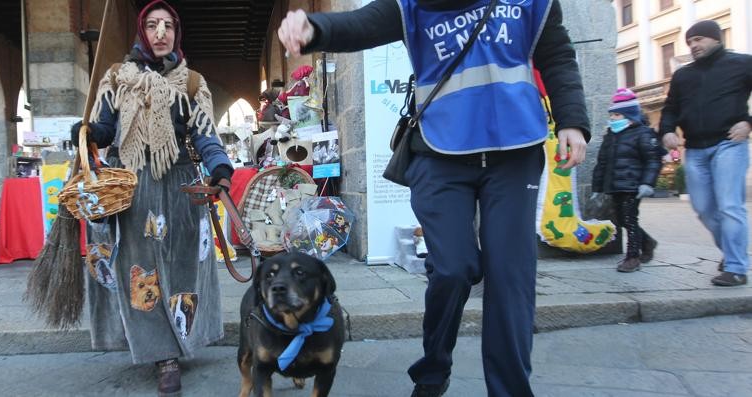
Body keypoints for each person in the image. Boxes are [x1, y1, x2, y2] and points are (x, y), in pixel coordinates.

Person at [278, 1, 590, 395]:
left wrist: (573, 120)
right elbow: (363, 23)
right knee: (453, 268)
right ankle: (433, 369)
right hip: (441, 153)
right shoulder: (412, 6)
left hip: (514, 150)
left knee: (511, 278)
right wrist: (314, 28)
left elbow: (558, 55)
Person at [71, 1, 233, 395]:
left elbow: (205, 136)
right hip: (131, 186)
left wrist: (221, 169)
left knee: (180, 269)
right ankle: (163, 356)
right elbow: (106, 132)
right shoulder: (117, 78)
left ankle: (178, 344)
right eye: (152, 25)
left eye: (168, 27)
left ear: (177, 33)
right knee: (137, 270)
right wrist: (90, 131)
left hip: (179, 185)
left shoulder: (192, 84)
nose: (161, 33)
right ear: (142, 33)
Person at [659, 20, 751, 287]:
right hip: (695, 149)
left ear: (717, 38)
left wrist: (749, 123)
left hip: (729, 145)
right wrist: (666, 130)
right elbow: (670, 107)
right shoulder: (682, 75)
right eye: (689, 41)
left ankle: (735, 268)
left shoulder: (743, 64)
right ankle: (734, 254)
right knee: (704, 210)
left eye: (699, 39)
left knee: (729, 206)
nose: (694, 45)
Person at [591, 88, 661, 272]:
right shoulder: (611, 136)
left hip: (632, 185)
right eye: (612, 114)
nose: (613, 118)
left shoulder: (643, 134)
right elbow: (602, 162)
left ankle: (633, 257)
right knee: (622, 219)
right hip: (614, 185)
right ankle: (648, 242)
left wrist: (647, 183)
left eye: (617, 114)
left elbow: (652, 160)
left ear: (629, 116)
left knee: (629, 219)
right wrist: (597, 187)